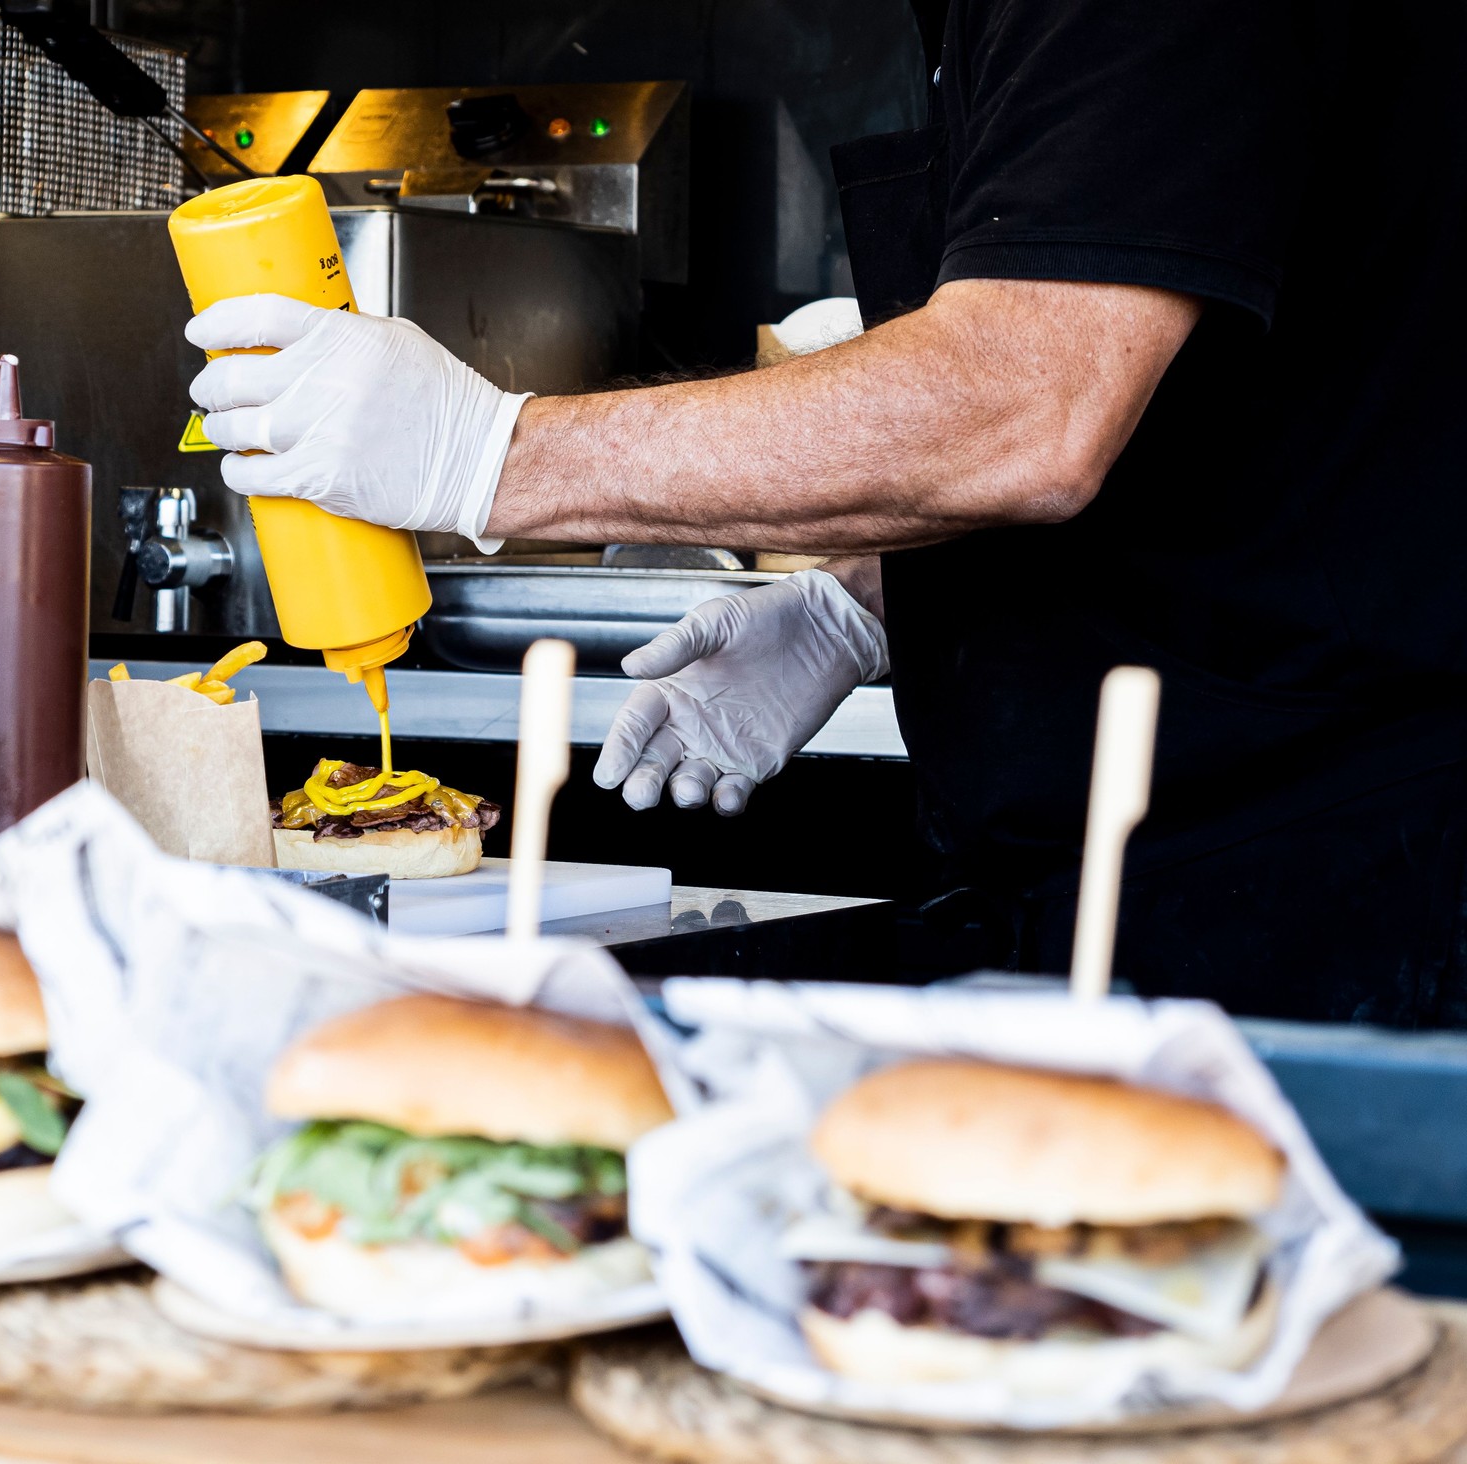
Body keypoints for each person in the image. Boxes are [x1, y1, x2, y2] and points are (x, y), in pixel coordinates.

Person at [186, 0, 1467, 1025]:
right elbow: (1241, 414)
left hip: (1336, 898)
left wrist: (488, 453)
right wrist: (868, 597)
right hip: (1128, 882)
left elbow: (1029, 401)